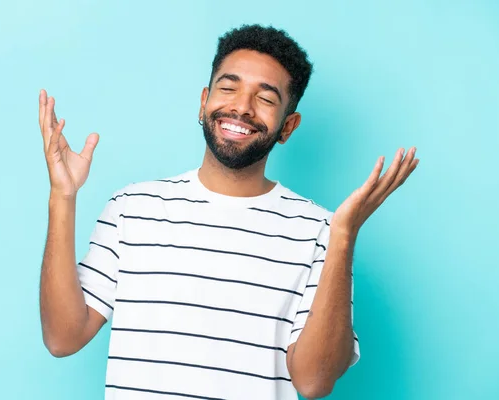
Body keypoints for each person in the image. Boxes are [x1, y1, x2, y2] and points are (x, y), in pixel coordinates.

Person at [38, 24, 419, 400]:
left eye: (266, 99)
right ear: (204, 101)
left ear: (288, 127)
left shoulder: (322, 231)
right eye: (228, 87)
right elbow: (62, 337)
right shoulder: (132, 209)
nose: (241, 106)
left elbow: (314, 382)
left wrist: (343, 236)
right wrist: (62, 196)